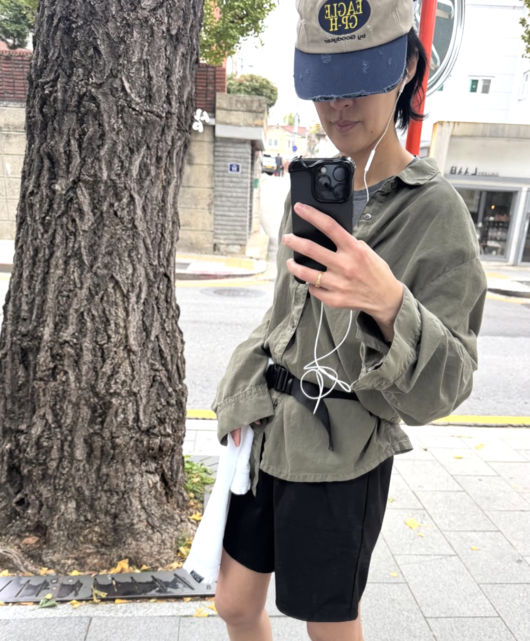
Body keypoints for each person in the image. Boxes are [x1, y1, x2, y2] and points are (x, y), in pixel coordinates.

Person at [212, 1, 488, 640]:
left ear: (407, 69)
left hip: (344, 452)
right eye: (323, 84)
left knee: (326, 623)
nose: (338, 105)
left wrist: (389, 303)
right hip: (265, 432)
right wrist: (240, 394)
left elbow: (448, 382)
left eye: (360, 79)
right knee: (233, 603)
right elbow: (280, 316)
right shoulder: (309, 188)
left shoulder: (434, 212)